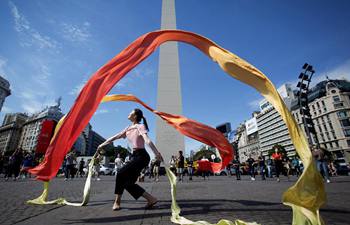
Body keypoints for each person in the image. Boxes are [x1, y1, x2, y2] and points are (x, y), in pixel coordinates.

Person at [97, 108, 163, 211]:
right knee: (127, 183)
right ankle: (151, 199)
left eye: (130, 113)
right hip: (135, 156)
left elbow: (147, 141)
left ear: (135, 116)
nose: (128, 113)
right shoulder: (128, 128)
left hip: (142, 156)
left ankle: (117, 202)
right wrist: (102, 144)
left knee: (120, 174)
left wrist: (157, 154)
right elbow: (115, 137)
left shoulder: (140, 126)